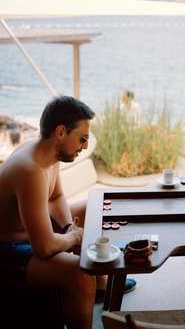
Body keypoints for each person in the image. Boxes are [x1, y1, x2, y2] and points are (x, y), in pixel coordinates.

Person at [0, 96, 135, 328]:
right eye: (82, 139)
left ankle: (101, 285)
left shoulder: (47, 154)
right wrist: (72, 237)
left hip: (30, 228)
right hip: (9, 249)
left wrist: (68, 227)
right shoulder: (30, 170)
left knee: (92, 207)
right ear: (61, 132)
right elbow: (44, 247)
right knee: (79, 274)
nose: (84, 146)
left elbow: (55, 197)